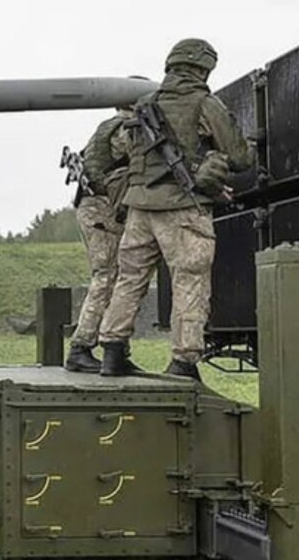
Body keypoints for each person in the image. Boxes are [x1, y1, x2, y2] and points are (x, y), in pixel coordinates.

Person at [97, 38, 253, 381]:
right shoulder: (205, 103)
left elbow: (127, 154)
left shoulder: (144, 105)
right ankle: (183, 362)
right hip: (182, 207)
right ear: (203, 68)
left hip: (138, 209)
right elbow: (241, 157)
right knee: (189, 282)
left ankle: (112, 352)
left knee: (130, 279)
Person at [64, 106, 134, 372]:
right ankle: (81, 347)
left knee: (114, 277)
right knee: (107, 277)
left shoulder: (108, 127)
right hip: (102, 209)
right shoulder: (126, 129)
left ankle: (114, 350)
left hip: (95, 207)